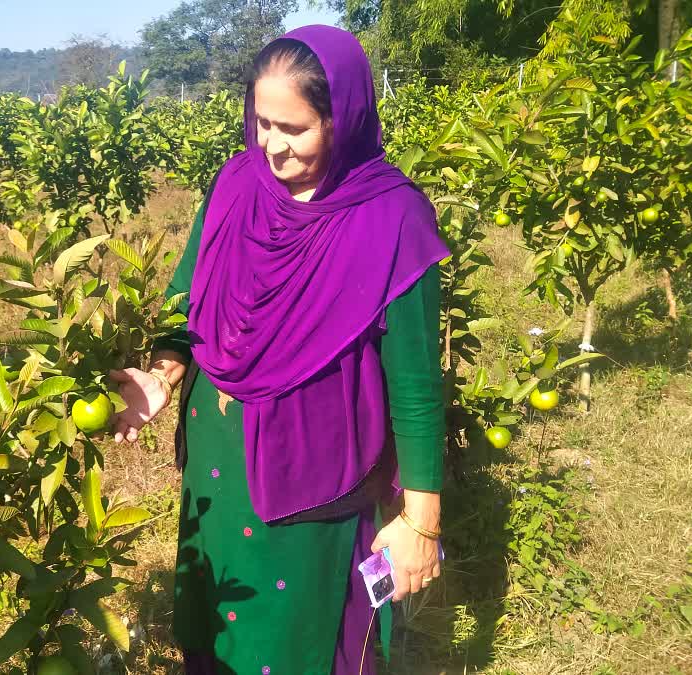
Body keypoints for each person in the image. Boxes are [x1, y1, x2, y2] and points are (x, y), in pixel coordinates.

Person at [109, 26, 448, 674]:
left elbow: (414, 384)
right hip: (219, 458)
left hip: (315, 480)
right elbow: (190, 293)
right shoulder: (237, 185)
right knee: (217, 632)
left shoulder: (392, 219)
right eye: (261, 122)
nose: (271, 145)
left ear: (342, 117)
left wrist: (421, 522)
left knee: (300, 642)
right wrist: (163, 372)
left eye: (294, 128)